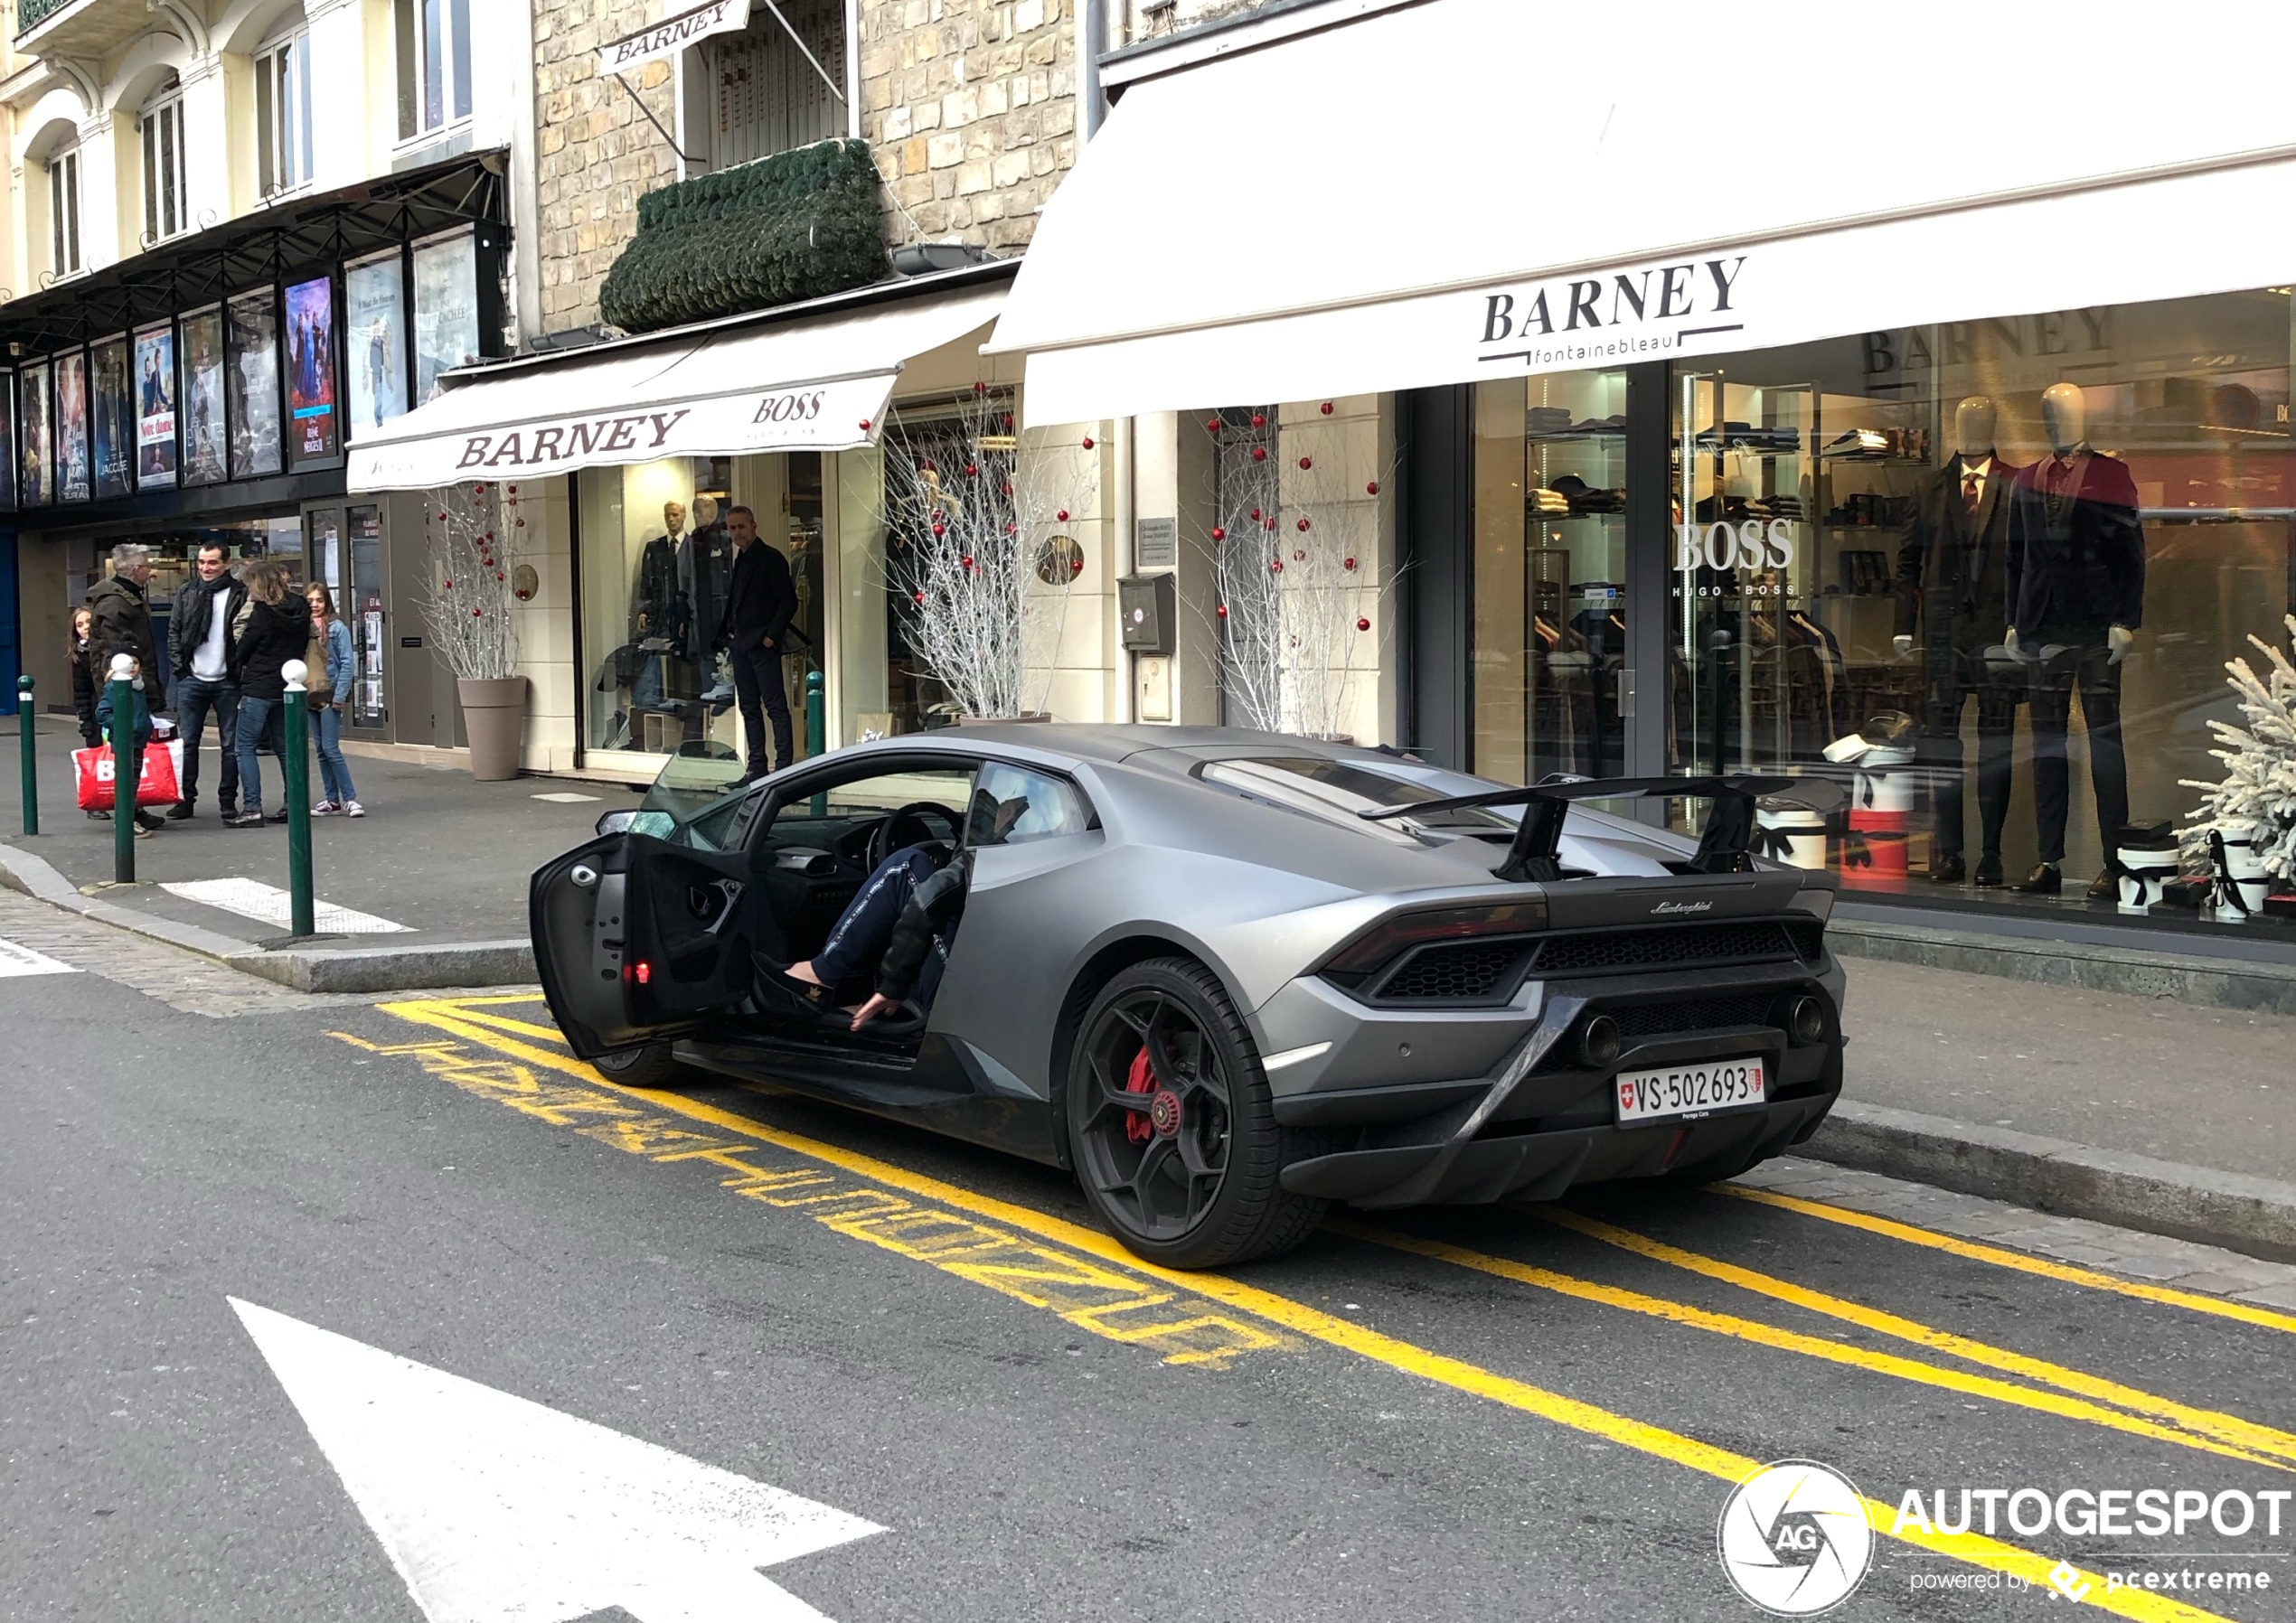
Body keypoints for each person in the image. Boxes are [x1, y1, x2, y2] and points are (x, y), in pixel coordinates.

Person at [777, 789, 1030, 1032]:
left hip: (965, 993)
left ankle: (821, 972)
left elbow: (928, 902)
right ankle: (868, 1005)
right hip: (1003, 989)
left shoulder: (989, 852)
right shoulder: (1032, 854)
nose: (1014, 824)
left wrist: (894, 985)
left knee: (906, 866)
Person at [225, 559, 312, 829]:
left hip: (258, 686)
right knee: (286, 749)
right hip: (287, 685)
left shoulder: (261, 612)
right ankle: (294, 803)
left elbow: (243, 649)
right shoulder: (300, 607)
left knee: (244, 747)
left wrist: (235, 667)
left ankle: (252, 807)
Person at [85, 543, 165, 833]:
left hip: (132, 683)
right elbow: (114, 650)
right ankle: (125, 817)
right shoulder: (115, 603)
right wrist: (124, 682)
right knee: (127, 754)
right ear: (134, 570)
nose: (149, 570)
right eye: (146, 565)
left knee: (135, 753)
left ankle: (133, 808)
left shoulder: (127, 597)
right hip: (123, 687)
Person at [717, 504, 796, 783]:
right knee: (749, 707)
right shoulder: (739, 559)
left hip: (762, 645)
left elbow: (788, 602)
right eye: (732, 528)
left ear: (753, 525)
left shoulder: (771, 558)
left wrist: (770, 636)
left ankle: (785, 767)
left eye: (742, 526)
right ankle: (757, 766)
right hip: (740, 645)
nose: (738, 532)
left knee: (775, 706)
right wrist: (729, 635)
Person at [168, 540, 247, 821]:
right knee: (187, 743)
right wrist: (181, 671)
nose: (206, 568)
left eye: (212, 562)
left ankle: (228, 800)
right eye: (202, 562)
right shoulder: (187, 591)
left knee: (231, 745)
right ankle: (185, 799)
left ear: (226, 564)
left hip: (228, 679)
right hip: (192, 678)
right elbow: (174, 633)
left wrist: (240, 672)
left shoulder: (240, 593)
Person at [306, 584, 362, 818]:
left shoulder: (337, 628)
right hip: (308, 693)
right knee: (320, 749)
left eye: (319, 600)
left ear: (327, 602)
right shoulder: (304, 628)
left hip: (330, 693)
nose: (315, 605)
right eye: (310, 601)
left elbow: (348, 662)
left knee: (331, 747)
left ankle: (350, 799)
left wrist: (340, 696)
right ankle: (332, 800)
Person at [93, 657, 164, 837]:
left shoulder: (139, 686)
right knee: (127, 782)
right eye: (128, 662)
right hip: (125, 741)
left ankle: (134, 814)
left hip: (138, 739)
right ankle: (124, 822)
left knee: (134, 780)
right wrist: (123, 725)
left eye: (136, 662)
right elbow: (102, 713)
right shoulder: (114, 687)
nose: (131, 667)